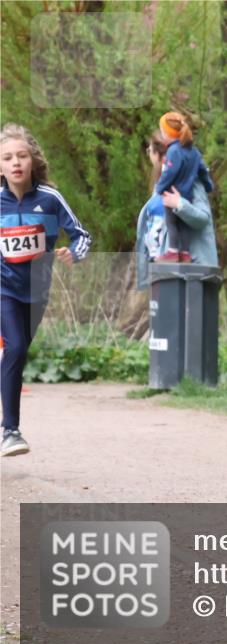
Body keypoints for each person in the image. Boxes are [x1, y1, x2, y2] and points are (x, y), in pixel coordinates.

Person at [1, 123, 91, 457]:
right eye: (8, 157)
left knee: (18, 352)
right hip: (3, 287)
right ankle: (10, 430)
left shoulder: (50, 199)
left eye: (21, 155)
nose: (15, 162)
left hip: (36, 291)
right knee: (15, 346)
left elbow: (81, 235)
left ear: (32, 160)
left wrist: (74, 253)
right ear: (0, 166)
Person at [136, 129, 218, 291]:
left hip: (194, 275)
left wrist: (180, 204)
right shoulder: (160, 187)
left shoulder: (191, 183)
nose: (149, 155)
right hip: (167, 276)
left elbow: (203, 218)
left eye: (149, 150)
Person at [154, 111, 214, 263]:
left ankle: (174, 251)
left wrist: (161, 189)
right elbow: (203, 169)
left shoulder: (174, 151)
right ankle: (184, 252)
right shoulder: (194, 152)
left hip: (175, 193)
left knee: (172, 222)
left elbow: (170, 172)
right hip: (186, 195)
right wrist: (209, 185)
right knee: (182, 224)